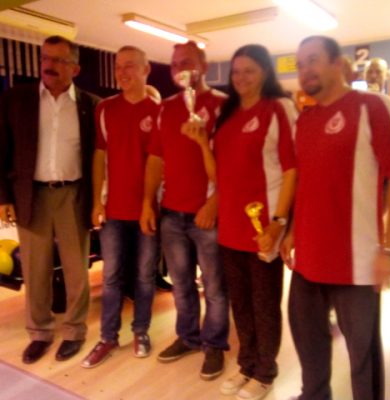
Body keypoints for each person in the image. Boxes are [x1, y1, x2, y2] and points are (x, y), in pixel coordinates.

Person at [281, 35, 390, 400]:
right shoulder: (305, 120)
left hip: (357, 263)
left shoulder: (373, 106)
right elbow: (306, 183)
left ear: (337, 63)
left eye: (313, 60)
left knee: (363, 358)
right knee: (308, 342)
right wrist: (291, 232)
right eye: (300, 64)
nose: (305, 70)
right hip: (308, 261)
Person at [187, 44, 297, 400]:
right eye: (236, 71)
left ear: (265, 71)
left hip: (263, 229)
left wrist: (279, 222)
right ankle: (247, 364)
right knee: (242, 305)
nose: (241, 77)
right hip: (231, 228)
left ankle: (265, 372)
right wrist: (202, 143)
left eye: (249, 70)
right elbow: (218, 175)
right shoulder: (229, 115)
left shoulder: (278, 107)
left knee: (264, 306)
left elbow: (292, 169)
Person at [0, 35, 98, 364]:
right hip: (31, 195)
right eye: (45, 58)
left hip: (74, 194)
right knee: (35, 269)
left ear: (75, 68)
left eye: (58, 60)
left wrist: (99, 200)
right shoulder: (16, 99)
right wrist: (3, 197)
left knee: (76, 270)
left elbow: (99, 158)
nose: (49, 65)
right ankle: (40, 332)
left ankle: (74, 331)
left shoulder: (90, 105)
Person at [140, 41, 229, 380]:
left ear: (204, 65)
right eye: (176, 64)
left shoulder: (223, 105)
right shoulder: (165, 108)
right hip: (172, 214)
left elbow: (233, 163)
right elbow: (155, 159)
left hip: (208, 215)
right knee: (181, 284)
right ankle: (189, 337)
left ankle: (214, 345)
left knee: (215, 287)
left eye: (187, 62)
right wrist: (148, 202)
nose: (180, 69)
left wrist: (214, 203)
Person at [81, 46, 159, 368]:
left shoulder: (158, 111)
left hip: (148, 212)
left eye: (130, 66)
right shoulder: (105, 109)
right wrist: (96, 201)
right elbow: (99, 156)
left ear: (146, 69)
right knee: (111, 277)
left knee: (144, 276)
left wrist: (148, 204)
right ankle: (107, 337)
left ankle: (141, 331)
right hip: (113, 210)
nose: (122, 72)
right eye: (118, 67)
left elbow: (160, 161)